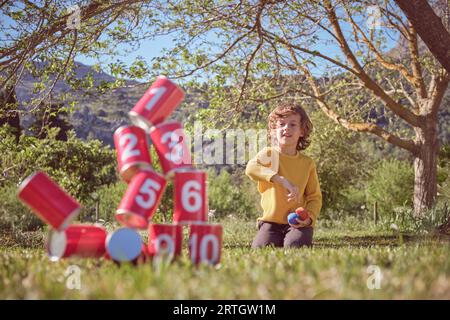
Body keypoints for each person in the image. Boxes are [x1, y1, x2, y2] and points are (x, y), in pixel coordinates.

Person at [245, 103, 322, 248]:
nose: (286, 128)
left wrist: (309, 218)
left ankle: (296, 237)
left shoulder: (307, 163)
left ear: (302, 131)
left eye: (293, 124)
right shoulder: (268, 154)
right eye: (281, 124)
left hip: (297, 223)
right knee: (262, 248)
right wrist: (280, 179)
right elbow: (251, 168)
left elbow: (314, 197)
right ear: (274, 130)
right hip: (270, 222)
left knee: (294, 245)